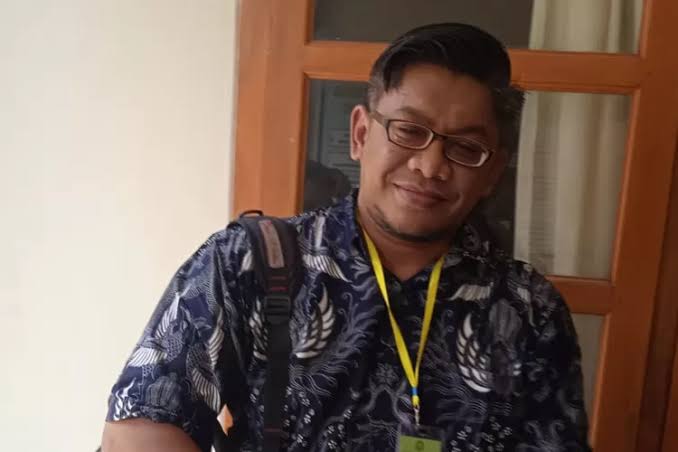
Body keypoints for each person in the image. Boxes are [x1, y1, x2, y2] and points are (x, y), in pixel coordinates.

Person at [102, 23, 590, 452]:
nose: (430, 166)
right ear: (360, 134)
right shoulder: (252, 262)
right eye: (409, 130)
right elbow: (139, 426)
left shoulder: (528, 309)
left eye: (465, 147)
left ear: (492, 173)